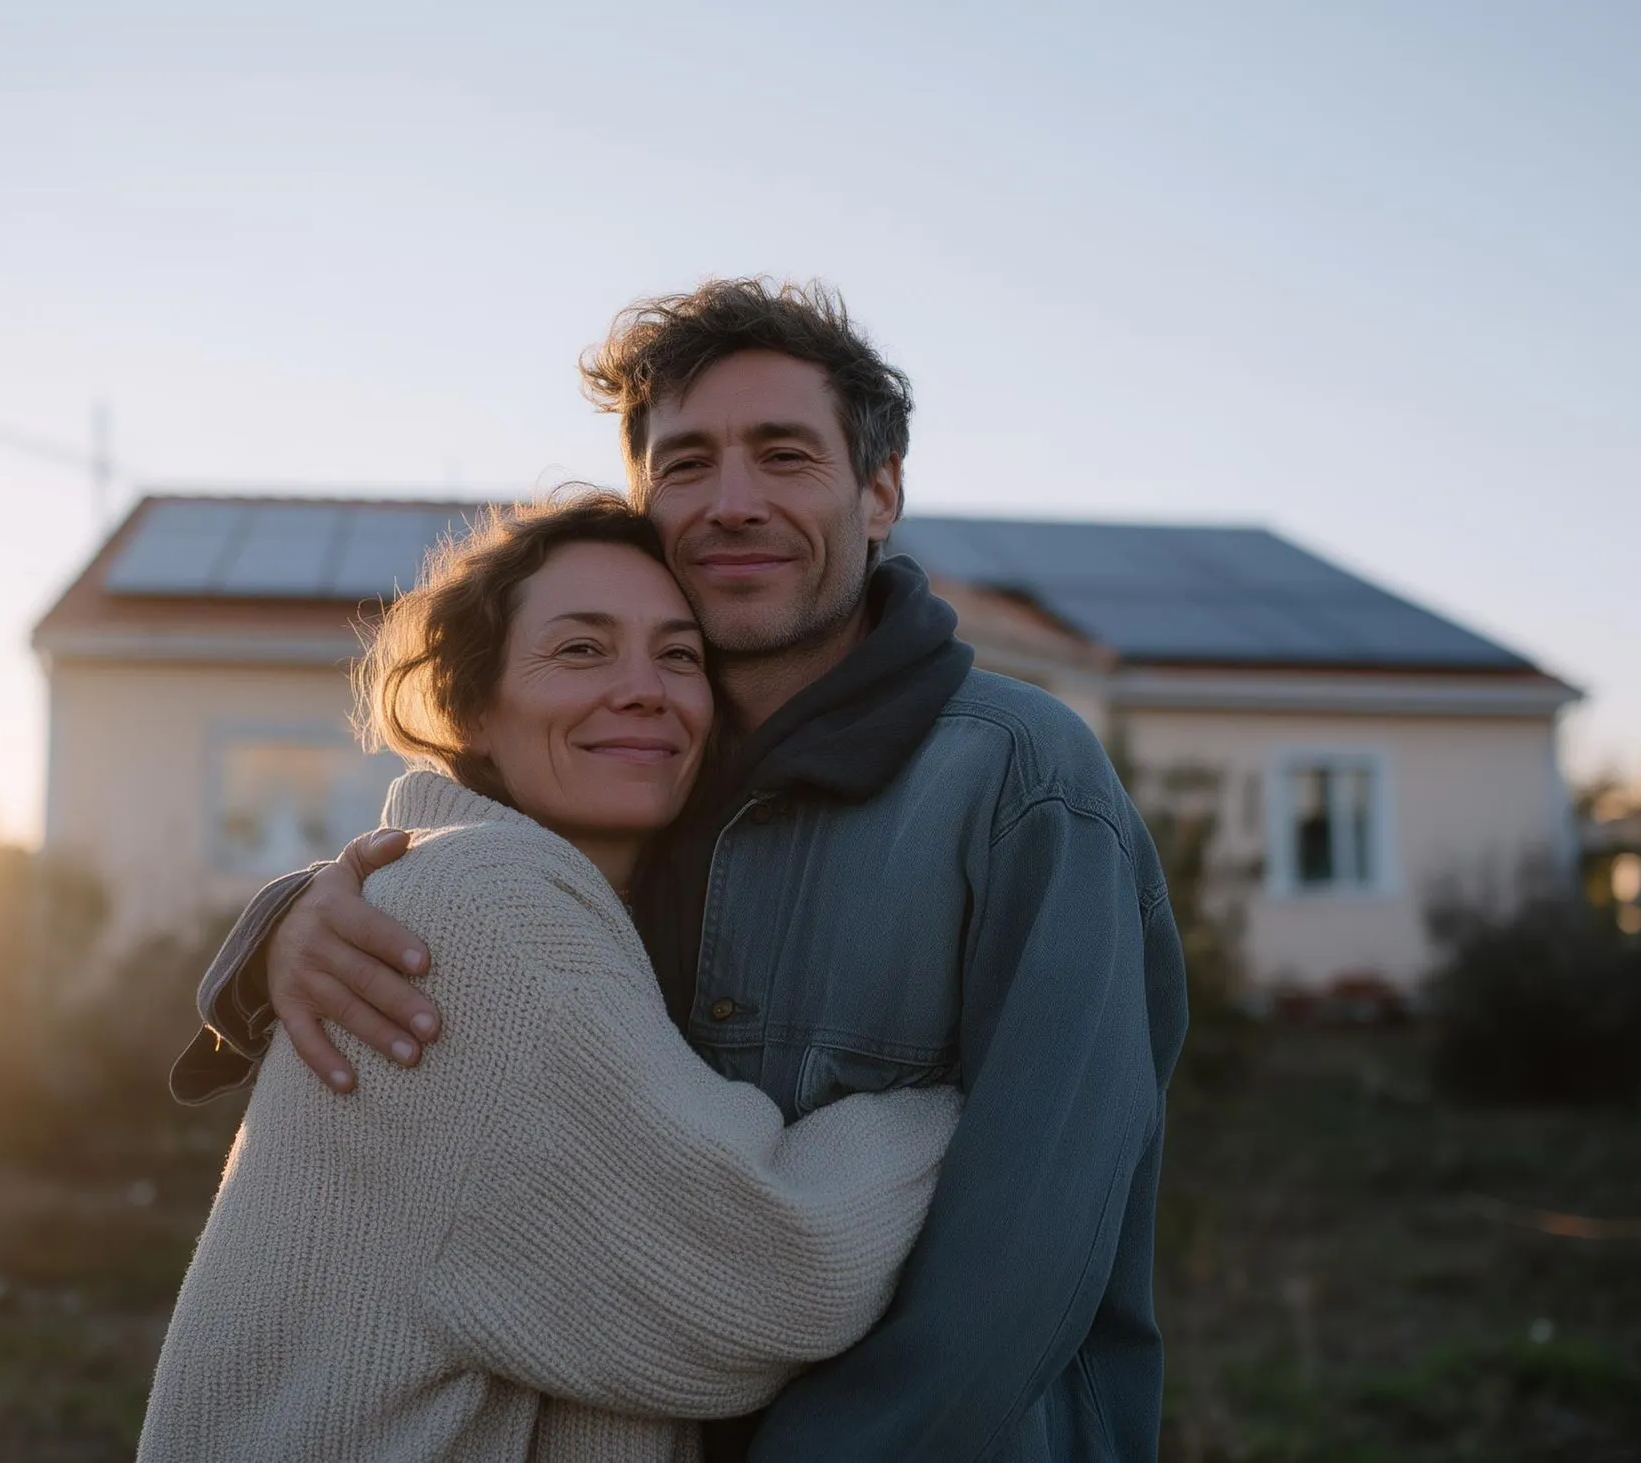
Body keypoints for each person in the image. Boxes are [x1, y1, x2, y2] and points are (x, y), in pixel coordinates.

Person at [176, 279, 1190, 1461]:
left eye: (782, 454)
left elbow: (1028, 1253)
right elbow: (470, 903)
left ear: (879, 490)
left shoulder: (1020, 783)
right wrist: (286, 925)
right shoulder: (638, 773)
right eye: (688, 462)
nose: (733, 502)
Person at [138, 494, 961, 1463]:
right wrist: (955, 1098)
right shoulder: (487, 906)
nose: (644, 688)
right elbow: (768, 1274)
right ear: (472, 706)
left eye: (680, 654)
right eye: (580, 649)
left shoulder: (475, 891)